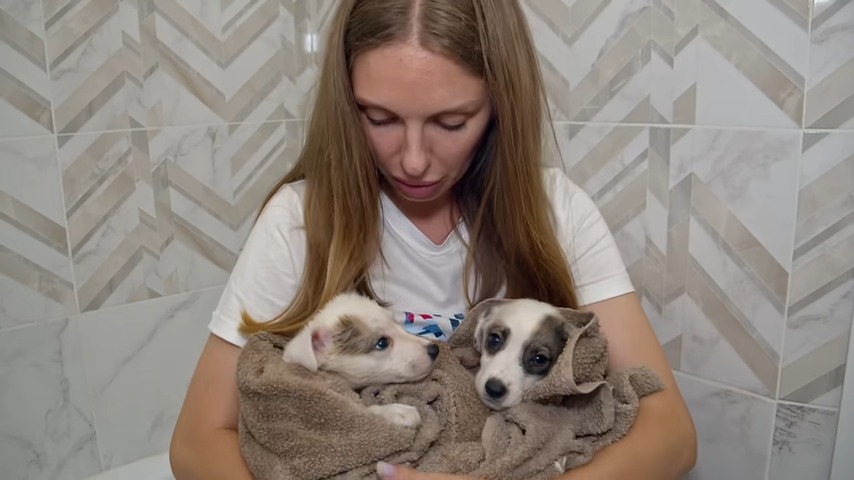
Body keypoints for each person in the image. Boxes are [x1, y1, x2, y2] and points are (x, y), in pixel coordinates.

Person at [169, 0, 697, 479]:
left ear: (499, 106)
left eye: (451, 122)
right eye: (379, 118)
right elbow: (197, 443)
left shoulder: (558, 211)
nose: (414, 160)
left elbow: (670, 435)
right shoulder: (299, 221)